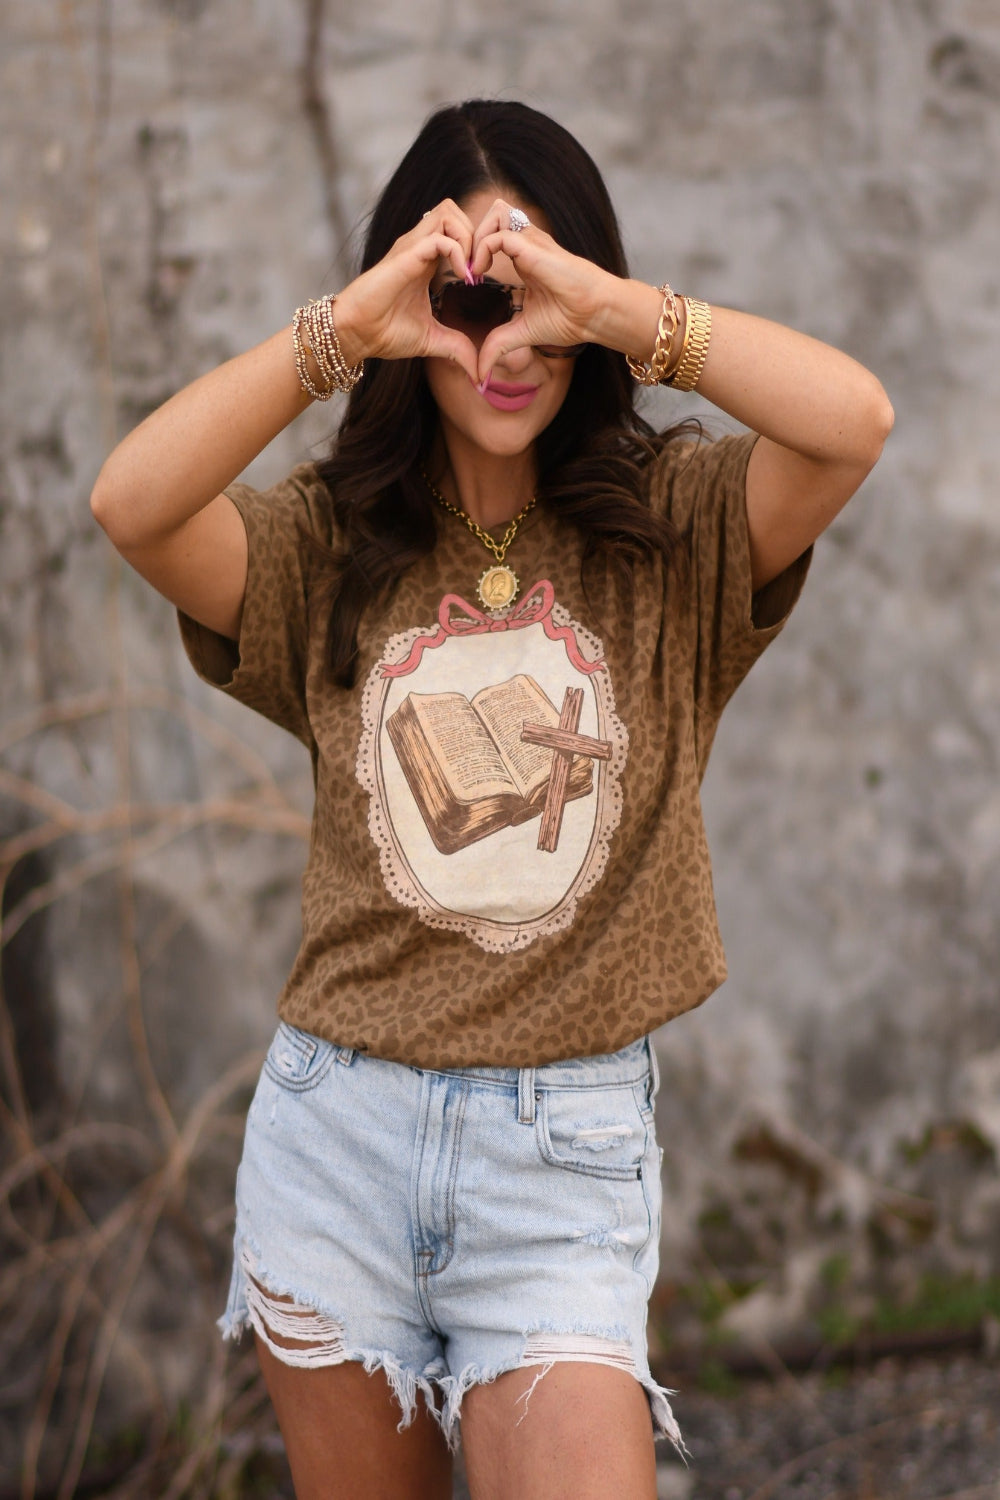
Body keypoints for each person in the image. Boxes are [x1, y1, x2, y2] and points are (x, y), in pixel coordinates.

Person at [91, 98, 893, 1500]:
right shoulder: (328, 546)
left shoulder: (675, 528)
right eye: (470, 298)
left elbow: (855, 422)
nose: (503, 342)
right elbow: (131, 504)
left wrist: (611, 305)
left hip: (563, 1161)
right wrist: (347, 327)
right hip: (333, 1139)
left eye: (536, 297)